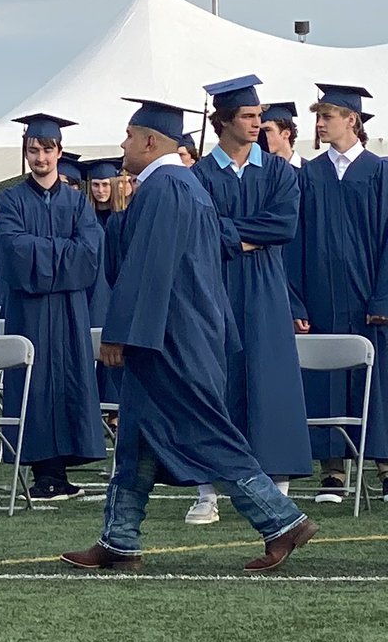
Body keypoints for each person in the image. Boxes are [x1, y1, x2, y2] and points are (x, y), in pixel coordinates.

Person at [63, 98, 316, 574]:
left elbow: (148, 269)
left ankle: (281, 520)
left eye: (129, 136)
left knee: (206, 431)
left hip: (171, 338)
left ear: (150, 141)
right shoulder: (176, 185)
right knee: (136, 437)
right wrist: (120, 213)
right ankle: (118, 540)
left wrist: (120, 334)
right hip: (179, 332)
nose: (123, 144)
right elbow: (144, 259)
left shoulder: (169, 187)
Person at [182, 77, 312, 525]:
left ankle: (276, 489)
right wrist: (243, 236)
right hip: (212, 286)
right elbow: (199, 230)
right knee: (212, 382)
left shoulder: (278, 171)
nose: (258, 123)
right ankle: (205, 492)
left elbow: (283, 226)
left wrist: (230, 235)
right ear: (223, 121)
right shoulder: (198, 175)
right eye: (249, 117)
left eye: (260, 117)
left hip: (266, 290)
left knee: (269, 379)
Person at [288, 84, 388, 503]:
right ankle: (333, 471)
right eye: (319, 115)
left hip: (369, 297)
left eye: (328, 115)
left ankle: (385, 468)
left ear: (353, 120)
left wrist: (383, 297)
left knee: (380, 382)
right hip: (323, 297)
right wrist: (296, 301)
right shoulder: (309, 174)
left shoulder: (380, 171)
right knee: (327, 378)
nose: (320, 122)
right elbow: (294, 243)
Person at [0, 115, 105, 500]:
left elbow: (91, 251)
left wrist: (44, 251)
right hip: (30, 308)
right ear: (25, 153)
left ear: (59, 152)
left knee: (70, 378)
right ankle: (43, 472)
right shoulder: (11, 200)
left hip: (69, 307)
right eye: (33, 150)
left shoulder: (77, 202)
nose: (40, 157)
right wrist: (62, 252)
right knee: (37, 381)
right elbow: (12, 247)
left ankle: (62, 470)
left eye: (46, 150)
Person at [80, 158, 128, 414]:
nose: (100, 190)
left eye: (105, 184)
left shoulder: (124, 218)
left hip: (115, 291)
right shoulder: (85, 219)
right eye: (96, 185)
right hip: (94, 291)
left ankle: (114, 409)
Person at [260, 102, 304, 168]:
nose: (261, 135)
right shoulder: (259, 172)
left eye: (267, 130)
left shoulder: (309, 170)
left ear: (286, 133)